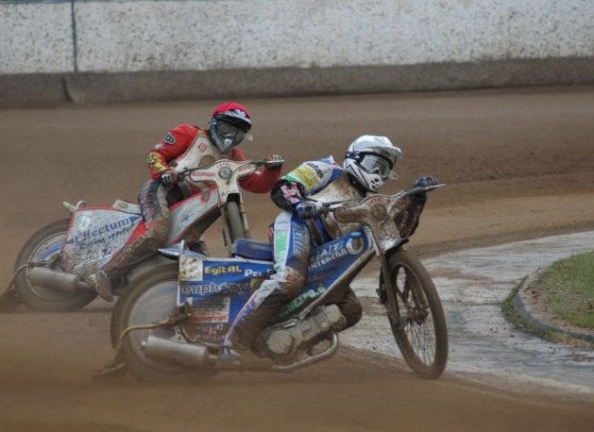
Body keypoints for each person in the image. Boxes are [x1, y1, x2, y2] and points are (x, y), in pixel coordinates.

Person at [225, 134, 437, 365]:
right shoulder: (328, 169)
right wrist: (300, 204)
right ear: (355, 158)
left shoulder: (370, 203)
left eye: (384, 168)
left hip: (328, 251)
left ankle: (283, 343)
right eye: (373, 164)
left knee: (351, 309)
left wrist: (416, 200)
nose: (377, 173)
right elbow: (285, 186)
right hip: (298, 225)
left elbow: (395, 235)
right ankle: (237, 340)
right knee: (290, 279)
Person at [91, 102, 284, 302]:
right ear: (213, 123)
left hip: (192, 208)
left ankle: (184, 297)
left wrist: (272, 170)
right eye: (227, 128)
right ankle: (106, 272)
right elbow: (155, 155)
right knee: (157, 232)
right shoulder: (189, 133)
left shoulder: (233, 157)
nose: (230, 137)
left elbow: (256, 184)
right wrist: (164, 171)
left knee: (196, 255)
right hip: (162, 190)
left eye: (238, 134)